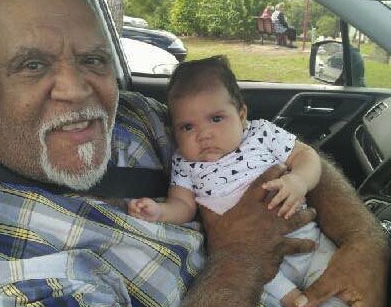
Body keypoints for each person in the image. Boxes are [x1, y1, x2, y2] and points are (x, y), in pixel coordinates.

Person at [0, 0, 389, 307]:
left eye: (92, 59)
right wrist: (242, 255)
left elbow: (273, 155)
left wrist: (364, 241)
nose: (76, 89)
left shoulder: (132, 114)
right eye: (32, 65)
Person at [128, 55, 346, 307]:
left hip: (308, 242)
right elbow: (183, 205)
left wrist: (298, 181)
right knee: (260, 287)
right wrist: (159, 211)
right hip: (253, 265)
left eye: (216, 119)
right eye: (187, 127)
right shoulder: (185, 162)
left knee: (337, 286)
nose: (204, 135)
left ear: (241, 115)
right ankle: (295, 299)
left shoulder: (261, 133)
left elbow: (306, 156)